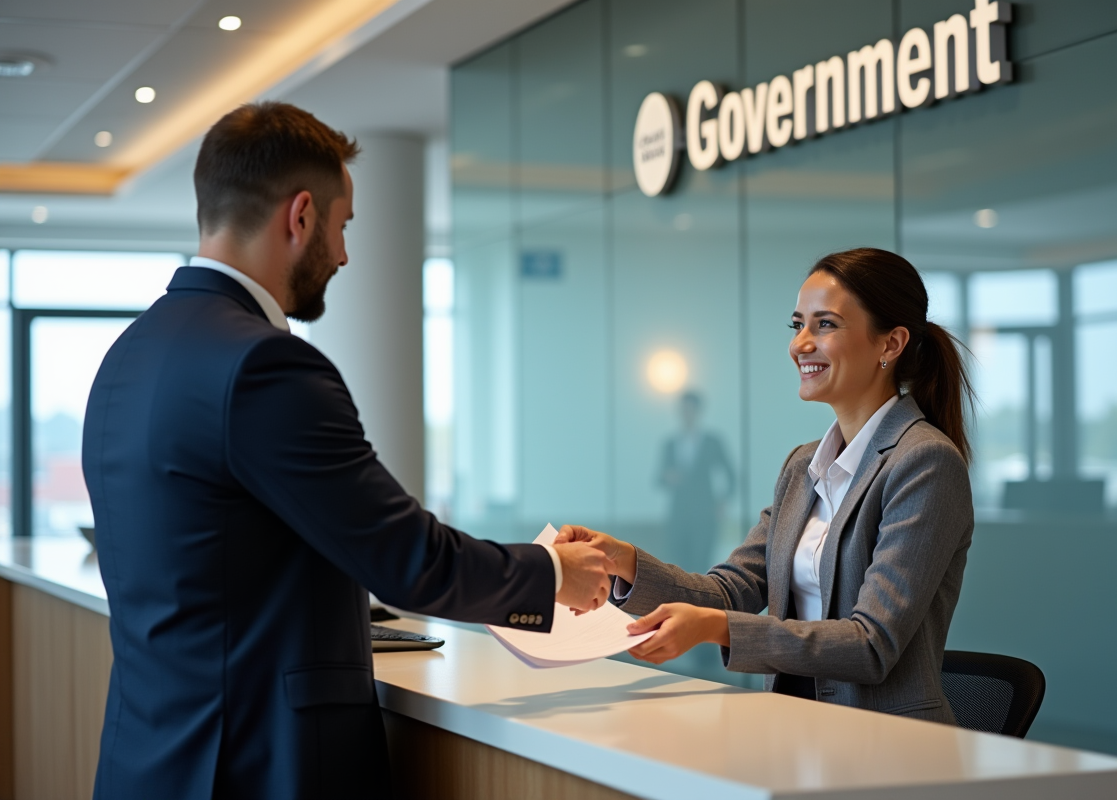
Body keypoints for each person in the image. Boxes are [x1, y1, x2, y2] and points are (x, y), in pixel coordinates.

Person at [82, 102, 611, 800]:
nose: (344, 254)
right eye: (343, 226)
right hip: (256, 764)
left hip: (146, 760)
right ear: (301, 216)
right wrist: (552, 572)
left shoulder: (127, 356)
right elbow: (405, 559)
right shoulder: (266, 367)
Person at [559, 248, 975, 724]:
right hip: (795, 728)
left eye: (826, 325)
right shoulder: (803, 467)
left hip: (885, 742)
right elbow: (728, 591)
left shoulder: (925, 463)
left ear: (890, 343)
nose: (801, 343)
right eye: (797, 325)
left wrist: (717, 629)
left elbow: (870, 645)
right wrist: (624, 560)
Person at [657, 390, 734, 574]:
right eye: (683, 410)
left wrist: (722, 502)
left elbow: (731, 475)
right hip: (679, 514)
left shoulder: (712, 442)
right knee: (677, 565)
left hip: (705, 513)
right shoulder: (670, 443)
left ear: (698, 412)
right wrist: (669, 477)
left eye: (690, 410)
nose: (687, 414)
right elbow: (658, 478)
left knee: (701, 564)